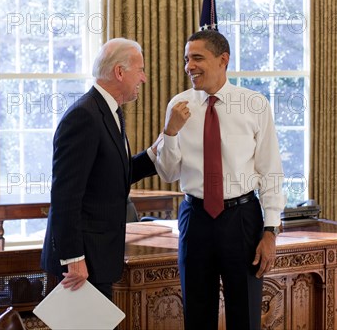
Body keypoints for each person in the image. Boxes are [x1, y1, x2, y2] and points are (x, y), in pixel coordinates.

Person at [155, 30, 286, 329]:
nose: (189, 66)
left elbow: (271, 170)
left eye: (197, 58)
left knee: (246, 315)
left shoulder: (254, 104)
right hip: (195, 218)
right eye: (187, 59)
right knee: (197, 314)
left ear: (223, 60)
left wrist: (270, 232)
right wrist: (171, 132)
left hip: (242, 219)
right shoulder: (179, 106)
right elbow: (168, 173)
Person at [41, 38, 158, 300]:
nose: (144, 78)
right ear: (120, 72)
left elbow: (114, 175)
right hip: (82, 261)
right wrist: (74, 258)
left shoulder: (111, 111)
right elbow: (65, 196)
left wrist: (155, 152)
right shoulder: (84, 116)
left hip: (100, 255)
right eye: (140, 70)